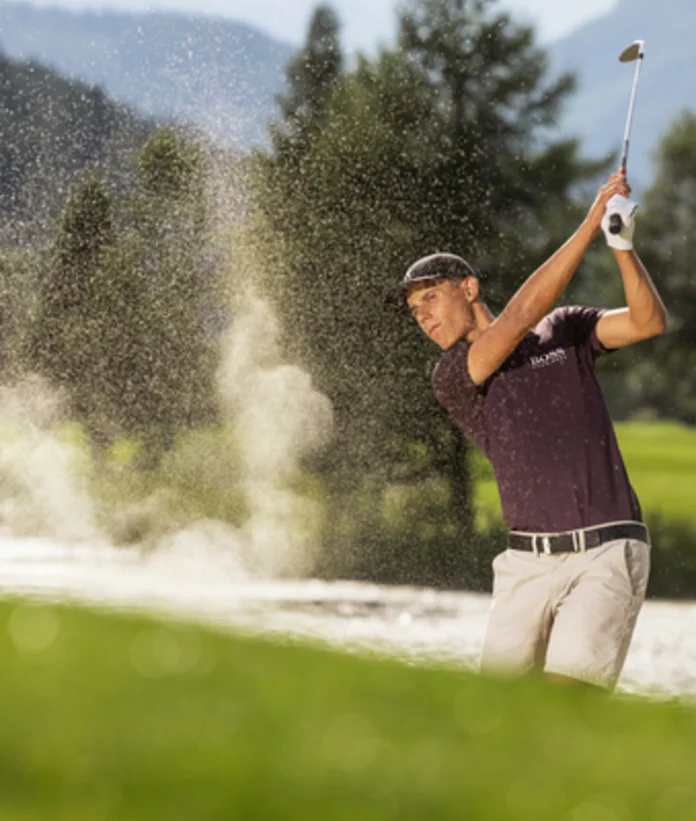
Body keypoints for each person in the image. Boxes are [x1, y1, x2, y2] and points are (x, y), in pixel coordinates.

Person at [400, 172, 667, 690]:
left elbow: (647, 321)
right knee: (499, 720)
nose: (422, 316)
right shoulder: (453, 373)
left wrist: (621, 246)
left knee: (565, 704)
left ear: (469, 288)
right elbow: (521, 314)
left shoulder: (564, 330)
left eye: (430, 297)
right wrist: (590, 222)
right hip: (525, 566)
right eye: (414, 310)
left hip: (608, 551)